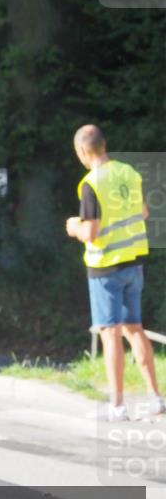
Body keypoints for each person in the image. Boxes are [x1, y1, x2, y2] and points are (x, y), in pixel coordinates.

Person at [65, 124, 162, 421]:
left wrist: (74, 227)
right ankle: (156, 399)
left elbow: (91, 233)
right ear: (104, 145)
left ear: (82, 152)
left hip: (105, 267)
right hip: (134, 262)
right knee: (135, 329)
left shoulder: (90, 184)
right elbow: (143, 212)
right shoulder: (128, 172)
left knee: (110, 334)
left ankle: (117, 406)